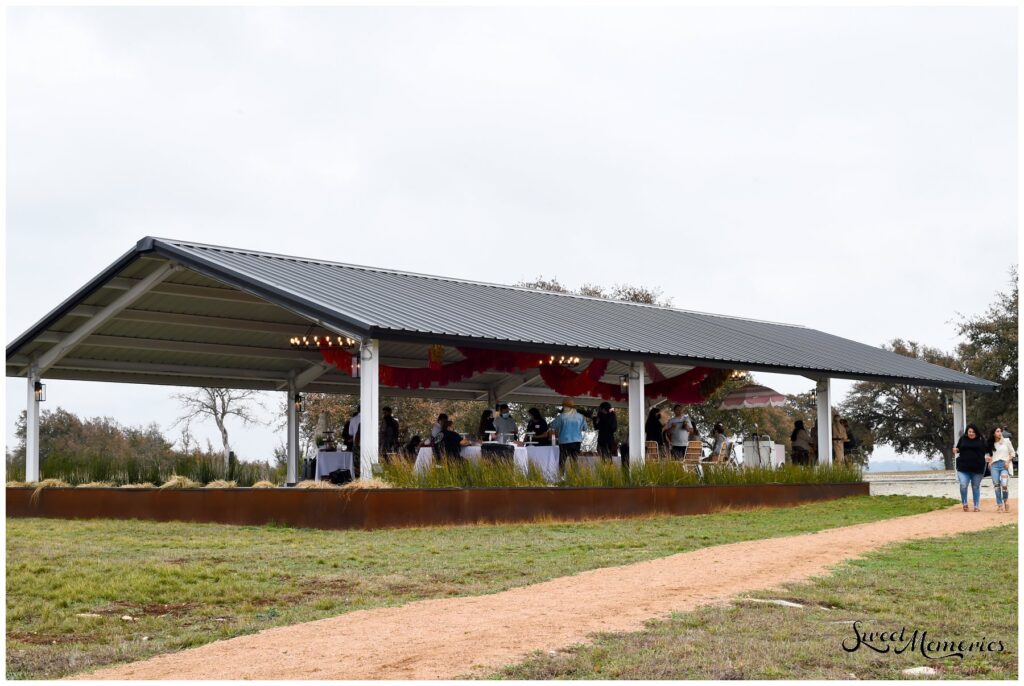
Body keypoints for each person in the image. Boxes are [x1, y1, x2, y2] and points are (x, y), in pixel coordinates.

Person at [954, 423, 988, 512]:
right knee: (963, 485)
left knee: (975, 487)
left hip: (977, 468)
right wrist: (956, 449)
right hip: (963, 467)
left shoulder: (981, 440)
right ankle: (964, 503)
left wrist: (989, 458)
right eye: (969, 431)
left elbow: (988, 450)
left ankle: (976, 506)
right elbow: (958, 448)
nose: (971, 433)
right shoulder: (963, 439)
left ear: (976, 432)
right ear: (967, 432)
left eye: (973, 431)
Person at [550, 398, 588, 472]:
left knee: (562, 461)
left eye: (563, 406)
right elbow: (585, 428)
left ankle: (561, 477)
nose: (563, 408)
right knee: (574, 460)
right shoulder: (580, 416)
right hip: (576, 441)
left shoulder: (561, 416)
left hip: (564, 441)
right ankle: (575, 478)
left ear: (566, 406)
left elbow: (553, 425)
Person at [986, 427, 1016, 513]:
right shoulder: (991, 443)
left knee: (1004, 483)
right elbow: (989, 455)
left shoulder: (1006, 441)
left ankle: (1006, 500)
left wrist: (1008, 461)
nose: (1000, 433)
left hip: (1004, 465)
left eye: (1000, 431)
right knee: (996, 486)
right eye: (997, 431)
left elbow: (1012, 453)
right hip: (994, 466)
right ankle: (999, 505)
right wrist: (989, 461)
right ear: (993, 433)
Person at [345, 406, 361, 477]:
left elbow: (350, 433)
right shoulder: (371, 418)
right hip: (369, 445)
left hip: (357, 444)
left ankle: (358, 481)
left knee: (357, 464)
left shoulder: (353, 419)